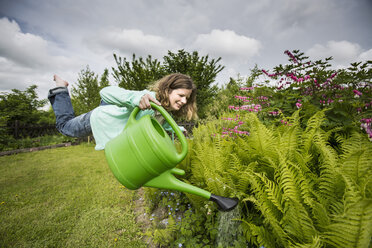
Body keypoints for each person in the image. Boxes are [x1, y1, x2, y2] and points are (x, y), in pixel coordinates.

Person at [48, 73, 198, 150]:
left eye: (187, 98)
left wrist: (178, 129)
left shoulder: (165, 113)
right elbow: (106, 91)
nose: (184, 101)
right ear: (168, 90)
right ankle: (61, 87)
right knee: (65, 127)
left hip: (112, 120)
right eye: (181, 95)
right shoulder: (148, 98)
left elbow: (159, 124)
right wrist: (137, 98)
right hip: (101, 120)